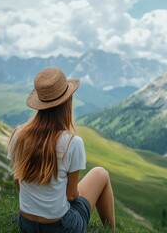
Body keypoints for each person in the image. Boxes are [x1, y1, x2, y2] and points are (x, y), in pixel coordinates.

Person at [7, 67, 115, 233]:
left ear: (39, 103)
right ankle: (111, 230)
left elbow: (18, 183)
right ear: (67, 102)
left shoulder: (18, 134)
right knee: (101, 173)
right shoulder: (72, 142)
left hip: (26, 225)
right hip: (61, 228)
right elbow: (71, 196)